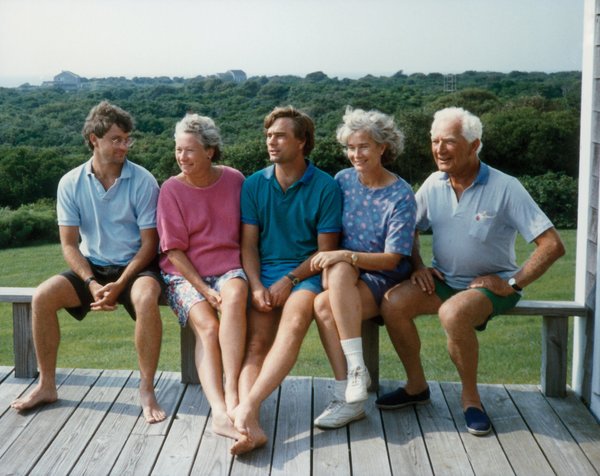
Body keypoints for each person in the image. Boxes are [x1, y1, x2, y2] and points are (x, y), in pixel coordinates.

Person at [377, 107, 565, 436]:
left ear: (474, 145)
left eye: (448, 141)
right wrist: (419, 266)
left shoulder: (507, 187)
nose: (439, 149)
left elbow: (552, 245)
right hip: (444, 282)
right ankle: (416, 387)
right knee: (393, 302)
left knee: (453, 313)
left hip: (492, 289)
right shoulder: (433, 184)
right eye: (434, 141)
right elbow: (407, 229)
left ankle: (471, 400)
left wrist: (511, 281)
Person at [11, 101, 166, 423]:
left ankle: (147, 389)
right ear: (94, 139)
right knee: (42, 296)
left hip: (137, 266)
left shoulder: (143, 180)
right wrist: (92, 283)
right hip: (92, 266)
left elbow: (151, 244)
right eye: (116, 139)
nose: (124, 145)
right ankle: (46, 385)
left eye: (127, 139)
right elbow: (68, 244)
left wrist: (121, 283)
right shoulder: (70, 182)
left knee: (146, 297)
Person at [230, 105, 343, 454]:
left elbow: (324, 253)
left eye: (280, 135)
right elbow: (248, 244)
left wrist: (289, 280)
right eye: (268, 136)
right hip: (263, 273)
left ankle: (245, 409)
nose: (271, 142)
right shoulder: (254, 184)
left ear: (302, 141)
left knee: (293, 324)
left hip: (306, 274)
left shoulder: (326, 186)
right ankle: (252, 426)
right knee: (255, 346)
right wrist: (258, 285)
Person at [310, 107, 416, 429]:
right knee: (340, 271)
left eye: (364, 146)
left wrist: (345, 255)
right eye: (351, 147)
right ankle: (355, 379)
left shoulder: (401, 194)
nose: (356, 154)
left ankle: (350, 394)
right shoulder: (343, 180)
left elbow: (393, 259)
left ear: (383, 147)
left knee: (322, 304)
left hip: (384, 276)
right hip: (345, 275)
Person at [157, 113, 248, 440]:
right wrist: (204, 291)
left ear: (210, 151)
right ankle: (220, 412)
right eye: (178, 150)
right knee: (208, 327)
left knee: (235, 298)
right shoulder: (171, 189)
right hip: (184, 275)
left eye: (189, 150)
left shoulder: (235, 180)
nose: (182, 157)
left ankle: (233, 389)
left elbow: (250, 233)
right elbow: (173, 253)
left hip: (229, 268)